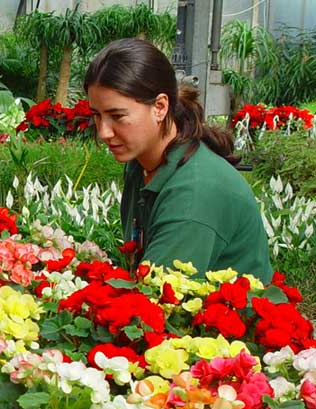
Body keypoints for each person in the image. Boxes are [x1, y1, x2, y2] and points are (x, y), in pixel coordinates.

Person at [84, 38, 273, 282]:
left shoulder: (194, 194)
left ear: (160, 107)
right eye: (96, 116)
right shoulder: (141, 162)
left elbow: (156, 301)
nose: (103, 132)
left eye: (117, 116)